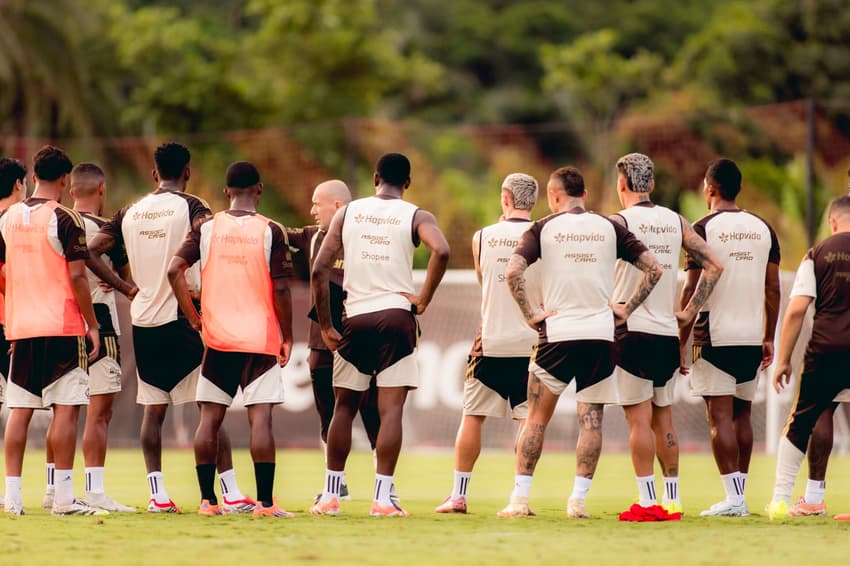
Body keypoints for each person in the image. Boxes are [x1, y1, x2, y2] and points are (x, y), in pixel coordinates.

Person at [86, 142, 250, 513]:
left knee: (153, 409)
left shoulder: (130, 211)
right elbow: (208, 241)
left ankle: (157, 494)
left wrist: (127, 288)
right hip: (183, 317)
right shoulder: (193, 207)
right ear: (187, 172)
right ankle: (229, 491)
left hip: (143, 320)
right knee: (211, 407)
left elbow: (90, 251)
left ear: (154, 173)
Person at [497, 165, 663, 518]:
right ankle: (578, 501)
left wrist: (529, 313)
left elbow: (512, 271)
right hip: (601, 336)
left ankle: (520, 500)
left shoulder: (542, 228)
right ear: (584, 195)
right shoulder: (609, 226)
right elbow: (655, 268)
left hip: (557, 334)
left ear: (553, 196)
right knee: (591, 422)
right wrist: (626, 308)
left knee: (536, 420)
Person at [310, 153, 450, 517]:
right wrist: (423, 299)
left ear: (374, 178)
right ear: (407, 183)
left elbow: (319, 269)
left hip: (356, 319)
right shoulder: (417, 215)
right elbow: (442, 250)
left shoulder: (347, 213)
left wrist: (326, 325)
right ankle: (383, 499)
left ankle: (329, 496)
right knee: (391, 413)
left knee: (344, 406)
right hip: (396, 319)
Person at [168, 161, 295, 517]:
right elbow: (282, 288)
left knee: (209, 419)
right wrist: (288, 336)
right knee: (261, 420)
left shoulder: (207, 228)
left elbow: (173, 269)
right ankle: (266, 504)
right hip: (260, 338)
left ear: (226, 192)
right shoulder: (271, 230)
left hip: (218, 337)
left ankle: (208, 502)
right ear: (260, 189)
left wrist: (194, 318)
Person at [610, 153, 723, 521]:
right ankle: (672, 498)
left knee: (638, 422)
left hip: (632, 331)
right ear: (653, 185)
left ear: (621, 184)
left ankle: (647, 501)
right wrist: (690, 312)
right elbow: (714, 265)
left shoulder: (618, 222)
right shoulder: (676, 221)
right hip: (666, 334)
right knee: (664, 420)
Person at [1, 146, 104, 516]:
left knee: (20, 411)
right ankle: (62, 499)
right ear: (65, 179)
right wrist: (93, 325)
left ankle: (11, 497)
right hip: (62, 327)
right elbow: (78, 276)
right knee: (66, 409)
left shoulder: (7, 217)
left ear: (32, 176)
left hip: (21, 326)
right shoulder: (66, 217)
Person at [680, 158, 780, 517]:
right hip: (752, 335)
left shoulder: (702, 228)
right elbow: (772, 288)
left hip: (714, 335)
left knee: (718, 417)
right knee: (742, 415)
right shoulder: (763, 228)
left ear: (709, 188)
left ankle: (734, 499)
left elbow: (692, 287)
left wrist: (681, 337)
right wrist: (769, 336)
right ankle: (739, 496)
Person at [435, 173, 539, 514]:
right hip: (532, 342)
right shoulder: (543, 234)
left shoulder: (483, 237)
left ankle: (458, 495)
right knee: (527, 420)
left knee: (472, 415)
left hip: (491, 338)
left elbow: (485, 282)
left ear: (504, 199)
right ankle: (519, 495)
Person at [40, 163, 135, 512]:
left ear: (70, 189)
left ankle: (53, 487)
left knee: (61, 411)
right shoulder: (106, 230)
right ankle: (94, 490)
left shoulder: (56, 224)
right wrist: (117, 279)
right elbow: (128, 278)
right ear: (102, 190)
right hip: (102, 324)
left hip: (62, 323)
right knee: (99, 413)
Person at [286, 179, 381, 501]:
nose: (312, 210)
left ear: (338, 206)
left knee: (371, 411)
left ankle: (384, 485)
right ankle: (335, 483)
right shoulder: (312, 238)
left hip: (360, 339)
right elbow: (276, 233)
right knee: (328, 415)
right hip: (320, 344)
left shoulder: (368, 239)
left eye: (317, 203)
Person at [768, 195, 850, 520]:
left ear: (832, 222)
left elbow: (796, 311)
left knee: (807, 416)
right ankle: (812, 498)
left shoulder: (818, 253)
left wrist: (783, 359)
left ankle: (786, 500)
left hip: (826, 348)